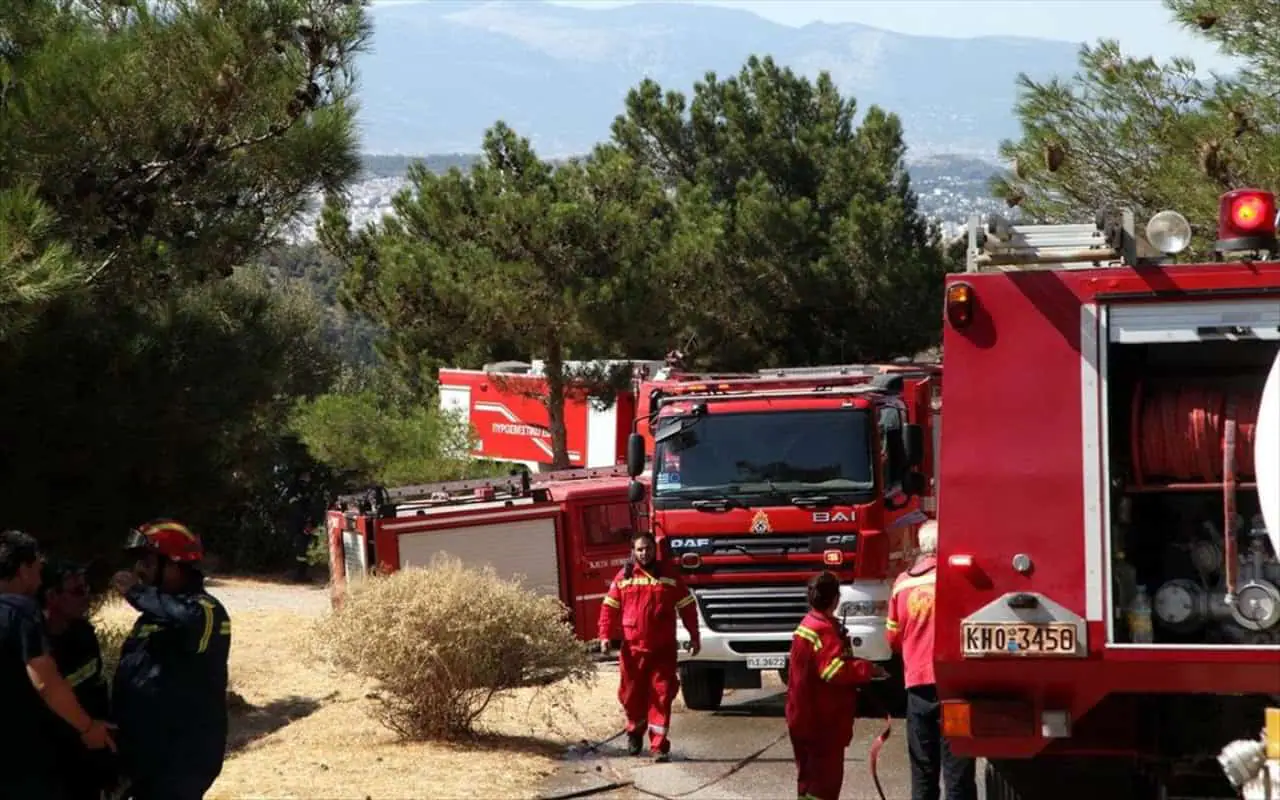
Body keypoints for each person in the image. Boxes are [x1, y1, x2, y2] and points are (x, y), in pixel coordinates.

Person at [111, 519, 231, 800]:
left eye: (147, 562)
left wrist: (136, 592)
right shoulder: (155, 614)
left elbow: (185, 620)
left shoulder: (206, 611)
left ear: (174, 565)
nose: (139, 570)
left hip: (183, 757)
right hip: (148, 753)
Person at [0, 530, 115, 800]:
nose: (39, 579)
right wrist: (88, 729)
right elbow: (45, 683)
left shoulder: (82, 635)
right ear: (23, 569)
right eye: (36, 569)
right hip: (25, 765)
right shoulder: (19, 612)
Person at [886, 520, 976, 800]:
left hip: (918, 689)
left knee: (923, 772)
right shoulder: (958, 580)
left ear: (920, 547)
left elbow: (892, 638)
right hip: (955, 688)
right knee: (958, 774)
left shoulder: (902, 585)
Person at [597, 531, 701, 762]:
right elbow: (609, 607)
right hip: (632, 651)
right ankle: (635, 731)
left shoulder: (670, 577)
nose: (644, 553)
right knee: (630, 695)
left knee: (661, 695)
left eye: (648, 549)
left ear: (655, 550)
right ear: (633, 552)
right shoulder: (623, 577)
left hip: (663, 650)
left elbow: (687, 607)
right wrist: (604, 635)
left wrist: (695, 636)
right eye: (640, 549)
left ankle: (658, 746)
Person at [786, 570, 883, 800]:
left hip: (803, 718)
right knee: (824, 786)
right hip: (823, 723)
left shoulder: (808, 624)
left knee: (807, 782)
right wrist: (868, 669)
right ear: (835, 599)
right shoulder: (823, 630)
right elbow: (832, 670)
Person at [40, 559, 116, 800]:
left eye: (87, 588)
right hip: (49, 765)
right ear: (52, 596)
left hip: (87, 757)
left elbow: (96, 688)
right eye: (77, 591)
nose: (87, 597)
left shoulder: (84, 634)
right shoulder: (35, 647)